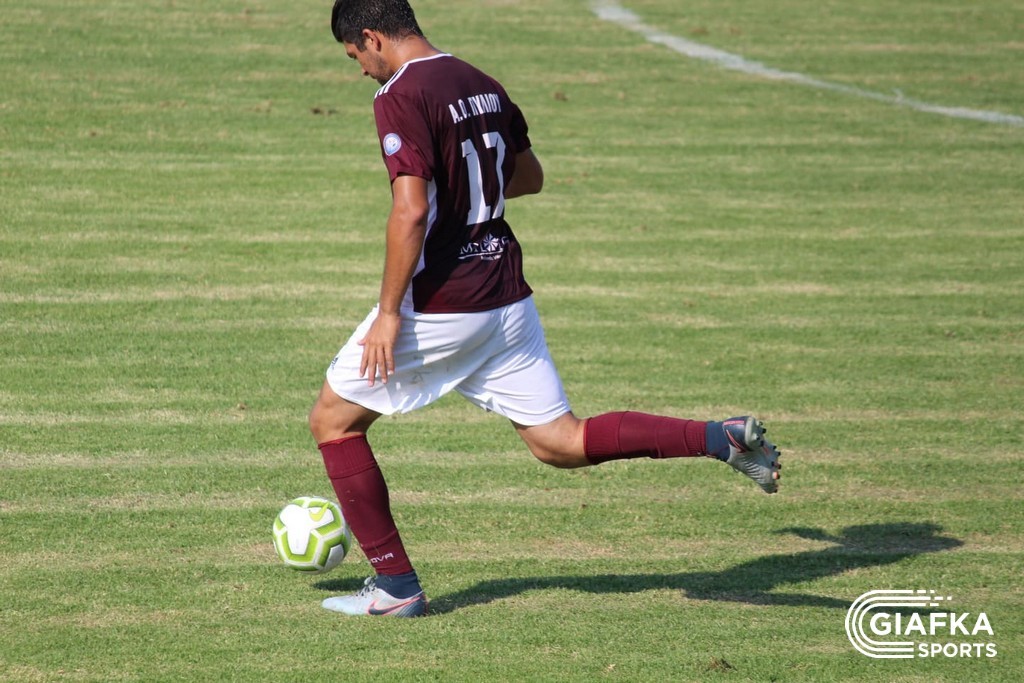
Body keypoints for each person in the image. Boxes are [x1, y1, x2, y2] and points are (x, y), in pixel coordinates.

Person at [310, 0, 782, 618]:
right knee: (560, 443)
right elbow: (529, 176)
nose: (360, 71)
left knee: (334, 421)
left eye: (355, 56)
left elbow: (412, 210)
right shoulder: (481, 81)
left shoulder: (399, 94)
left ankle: (396, 588)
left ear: (372, 37)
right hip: (505, 295)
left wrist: (389, 314)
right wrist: (469, 184)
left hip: (446, 302)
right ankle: (720, 438)